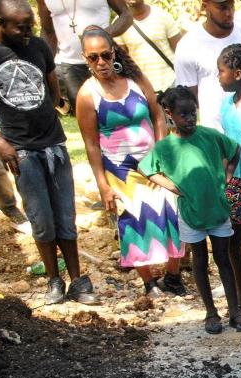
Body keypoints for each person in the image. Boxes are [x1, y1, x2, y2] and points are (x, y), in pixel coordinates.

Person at [0, 0, 99, 305]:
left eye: (31, 26)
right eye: (20, 27)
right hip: (21, 150)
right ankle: (54, 280)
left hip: (54, 144)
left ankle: (77, 280)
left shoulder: (37, 46)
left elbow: (53, 90)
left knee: (66, 215)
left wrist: (43, 114)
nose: (27, 33)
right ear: (1, 22)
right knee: (41, 219)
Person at [76, 25, 185, 298]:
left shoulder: (135, 80)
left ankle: (173, 276)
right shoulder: (87, 95)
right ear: (84, 58)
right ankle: (148, 282)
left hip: (153, 162)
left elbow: (158, 115)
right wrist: (103, 186)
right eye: (92, 58)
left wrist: (160, 157)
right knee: (135, 218)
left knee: (173, 210)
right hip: (120, 170)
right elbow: (91, 144)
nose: (100, 62)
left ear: (113, 51)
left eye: (104, 54)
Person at [139, 86, 241, 334]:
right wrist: (174, 187)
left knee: (224, 259)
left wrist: (227, 175)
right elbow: (146, 168)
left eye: (192, 113)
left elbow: (235, 150)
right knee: (200, 261)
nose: (189, 119)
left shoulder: (209, 136)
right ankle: (211, 313)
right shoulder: (166, 146)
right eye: (183, 114)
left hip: (218, 209)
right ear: (170, 114)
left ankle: (235, 312)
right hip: (191, 213)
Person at [174, 0, 241, 130]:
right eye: (222, 7)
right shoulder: (188, 45)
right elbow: (188, 98)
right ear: (205, 6)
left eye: (232, 6)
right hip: (214, 136)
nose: (229, 13)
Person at [217, 43, 241, 309]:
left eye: (221, 71)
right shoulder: (226, 105)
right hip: (235, 180)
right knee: (234, 240)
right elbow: (228, 144)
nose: (218, 77)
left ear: (238, 74)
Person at [37, 0, 132, 111]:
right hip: (71, 67)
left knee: (117, 111)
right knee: (86, 116)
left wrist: (100, 36)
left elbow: (126, 16)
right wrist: (43, 66)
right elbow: (48, 31)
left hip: (104, 60)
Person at [117, 0, 184, 93]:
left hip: (172, 83)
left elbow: (181, 51)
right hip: (143, 89)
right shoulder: (119, 23)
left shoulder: (162, 16)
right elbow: (123, 60)